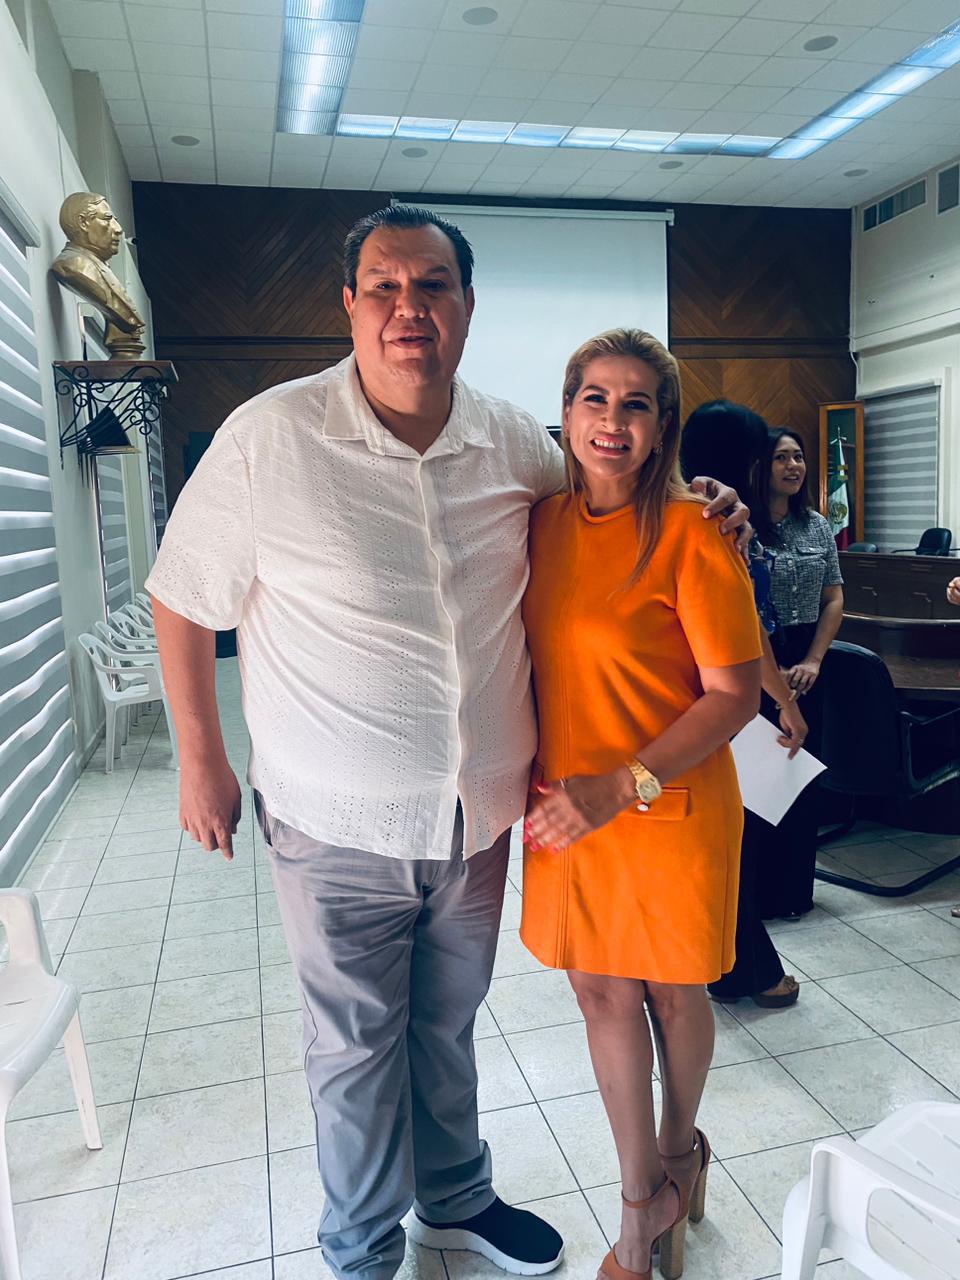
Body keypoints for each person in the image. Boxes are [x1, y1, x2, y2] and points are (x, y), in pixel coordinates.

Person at [145, 206, 750, 1280]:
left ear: (468, 306)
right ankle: (361, 1250)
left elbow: (614, 503)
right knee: (354, 1049)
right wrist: (202, 756)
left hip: (480, 820)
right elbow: (184, 595)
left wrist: (708, 501)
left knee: (447, 1024)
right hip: (334, 823)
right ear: (349, 304)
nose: (408, 307)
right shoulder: (271, 436)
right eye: (384, 285)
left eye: (432, 285)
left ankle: (457, 1198)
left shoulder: (514, 442)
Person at [521, 331, 762, 1280]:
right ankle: (639, 1202)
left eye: (635, 404)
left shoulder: (695, 532)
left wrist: (621, 786)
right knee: (599, 992)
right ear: (567, 412)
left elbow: (734, 694)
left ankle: (677, 1151)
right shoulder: (538, 521)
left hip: (666, 801)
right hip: (567, 806)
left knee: (671, 989)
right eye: (595, 398)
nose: (612, 421)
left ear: (664, 427)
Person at [679, 400, 805, 1009]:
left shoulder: (684, 509)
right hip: (717, 704)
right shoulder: (716, 521)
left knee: (716, 846)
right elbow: (745, 630)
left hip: (682, 702)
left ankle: (728, 967)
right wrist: (784, 701)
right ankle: (746, 971)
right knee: (732, 845)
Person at [753, 428, 844, 920]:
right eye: (781, 458)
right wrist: (772, 670)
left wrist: (814, 660)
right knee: (759, 782)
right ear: (760, 466)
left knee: (801, 777)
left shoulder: (817, 526)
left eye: (798, 457)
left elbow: (833, 597)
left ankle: (793, 893)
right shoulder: (744, 525)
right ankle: (756, 896)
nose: (793, 466)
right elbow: (743, 612)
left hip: (808, 660)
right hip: (757, 657)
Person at [50, 192, 145, 356]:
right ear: (83, 222)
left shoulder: (99, 265)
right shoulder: (73, 266)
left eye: (115, 220)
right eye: (107, 219)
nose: (118, 229)